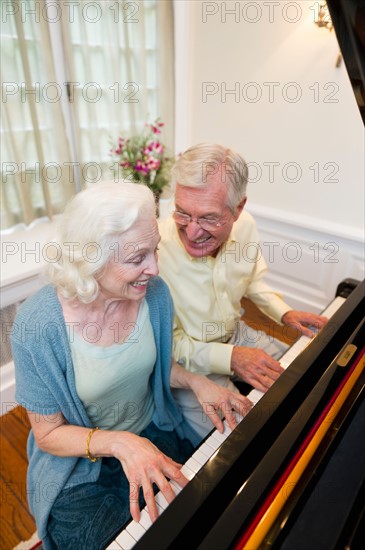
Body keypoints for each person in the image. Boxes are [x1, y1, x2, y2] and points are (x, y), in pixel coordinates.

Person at [11, 181, 252, 550]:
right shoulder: (38, 326)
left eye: (154, 251)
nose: (154, 269)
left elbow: (152, 364)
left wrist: (195, 381)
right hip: (80, 467)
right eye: (138, 258)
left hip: (152, 432)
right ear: (92, 260)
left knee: (203, 517)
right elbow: (47, 434)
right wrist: (122, 444)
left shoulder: (153, 296)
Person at [158, 143, 328, 437]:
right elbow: (169, 345)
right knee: (240, 440)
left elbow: (250, 280)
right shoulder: (155, 250)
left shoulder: (246, 226)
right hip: (190, 365)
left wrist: (284, 313)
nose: (192, 231)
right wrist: (232, 357)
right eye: (182, 213)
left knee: (305, 379)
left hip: (237, 333)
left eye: (209, 218)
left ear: (238, 209)